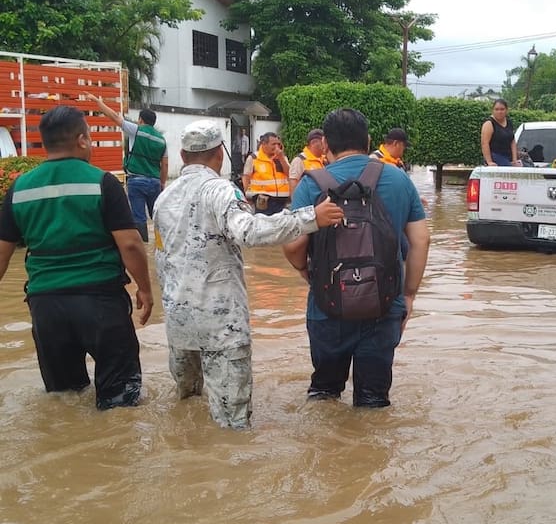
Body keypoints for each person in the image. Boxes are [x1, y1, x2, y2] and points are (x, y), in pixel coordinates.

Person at [153, 120, 343, 429]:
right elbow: (249, 231)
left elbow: (162, 257)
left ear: (183, 156)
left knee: (186, 408)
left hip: (179, 320)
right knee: (232, 423)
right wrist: (311, 217)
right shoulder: (220, 190)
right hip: (221, 324)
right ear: (220, 154)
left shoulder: (164, 197)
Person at [0, 105, 153, 409]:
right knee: (120, 402)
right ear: (82, 140)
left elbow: (2, 254)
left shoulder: (19, 189)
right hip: (101, 302)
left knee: (64, 400)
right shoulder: (102, 182)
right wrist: (145, 290)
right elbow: (131, 245)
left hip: (46, 306)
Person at [284, 108, 430, 407]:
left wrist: (304, 270)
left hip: (327, 306)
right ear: (368, 140)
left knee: (324, 395)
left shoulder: (311, 184)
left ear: (325, 143)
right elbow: (421, 240)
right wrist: (409, 295)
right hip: (384, 305)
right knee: (373, 402)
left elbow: (293, 245)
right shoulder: (399, 179)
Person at [86, 93, 168, 242]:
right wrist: (162, 183)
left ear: (141, 120)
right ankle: (161, 243)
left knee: (139, 217)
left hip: (136, 181)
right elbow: (165, 164)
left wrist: (98, 102)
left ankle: (143, 245)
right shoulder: (162, 140)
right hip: (155, 182)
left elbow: (114, 117)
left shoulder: (136, 130)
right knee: (157, 214)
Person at [241, 132, 291, 215]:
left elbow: (290, 174)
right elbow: (246, 177)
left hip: (282, 201)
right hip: (263, 201)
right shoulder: (254, 158)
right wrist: (247, 195)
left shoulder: (282, 157)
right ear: (264, 144)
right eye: (273, 144)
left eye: (278, 144)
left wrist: (281, 158)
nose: (277, 147)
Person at [480, 99, 519, 166]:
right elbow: (484, 143)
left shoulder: (509, 122)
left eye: (502, 109)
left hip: (508, 156)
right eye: (496, 109)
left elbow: (512, 141)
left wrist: (514, 160)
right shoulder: (489, 124)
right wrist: (489, 162)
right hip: (495, 156)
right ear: (492, 110)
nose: (499, 112)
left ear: (506, 110)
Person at [288, 128, 326, 196]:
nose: (325, 145)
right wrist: (295, 201)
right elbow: (293, 184)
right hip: (306, 200)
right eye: (323, 142)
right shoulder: (300, 160)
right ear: (313, 143)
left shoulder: (325, 160)